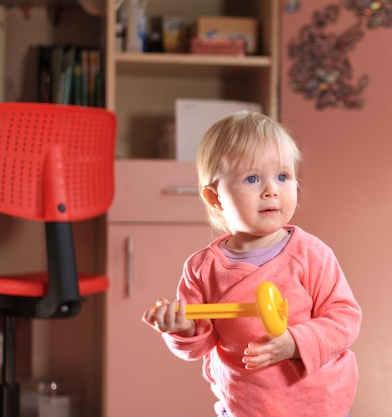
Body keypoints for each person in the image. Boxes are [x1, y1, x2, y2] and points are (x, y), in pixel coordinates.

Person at [142, 110, 362, 417]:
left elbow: (345, 319)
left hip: (318, 405)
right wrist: (182, 329)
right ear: (215, 198)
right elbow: (199, 347)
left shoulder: (312, 254)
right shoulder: (202, 269)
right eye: (253, 178)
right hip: (244, 407)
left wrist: (295, 343)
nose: (272, 189)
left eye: (283, 176)